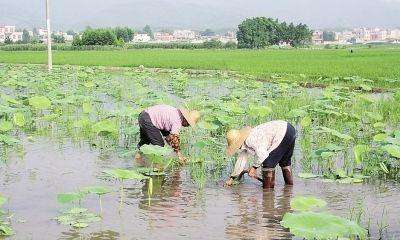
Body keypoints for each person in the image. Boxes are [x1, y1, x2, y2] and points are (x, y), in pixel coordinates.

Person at [224, 120, 296, 188]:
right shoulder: (245, 142)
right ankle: (289, 189)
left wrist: (254, 168)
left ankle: (268, 194)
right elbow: (241, 161)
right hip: (290, 129)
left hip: (282, 133)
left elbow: (263, 154)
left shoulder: (250, 140)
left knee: (268, 163)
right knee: (285, 163)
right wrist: (232, 178)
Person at [135, 104, 200, 163]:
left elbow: (168, 137)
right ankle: (158, 166)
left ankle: (137, 158)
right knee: (159, 146)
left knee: (145, 141)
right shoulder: (177, 121)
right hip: (149, 120)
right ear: (186, 120)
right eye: (188, 124)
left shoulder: (175, 112)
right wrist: (179, 155)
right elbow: (174, 139)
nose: (187, 126)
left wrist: (177, 153)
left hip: (143, 115)